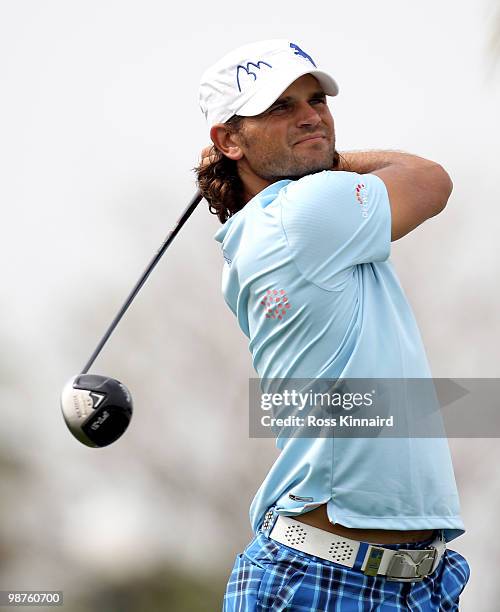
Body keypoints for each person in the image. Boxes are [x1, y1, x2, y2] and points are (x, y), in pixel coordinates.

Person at [196, 39, 470, 611]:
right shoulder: (305, 211)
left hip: (412, 582)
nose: (310, 116)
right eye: (280, 108)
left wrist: (302, 151)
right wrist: (328, 156)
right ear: (229, 139)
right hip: (321, 579)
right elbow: (431, 179)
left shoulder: (269, 229)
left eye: (315, 100)